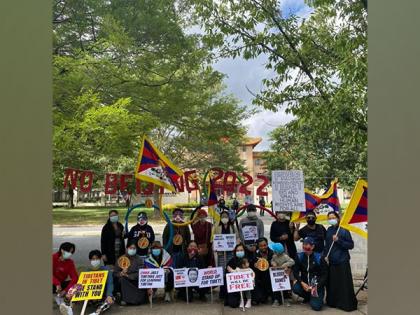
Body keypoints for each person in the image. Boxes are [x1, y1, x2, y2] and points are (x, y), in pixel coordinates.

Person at [323, 211, 358, 312]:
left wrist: (339, 240)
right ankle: (334, 302)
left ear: (338, 218)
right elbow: (327, 246)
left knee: (344, 284)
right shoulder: (329, 230)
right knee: (333, 284)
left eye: (333, 217)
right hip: (332, 262)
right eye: (329, 218)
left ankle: (346, 304)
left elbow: (350, 245)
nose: (331, 219)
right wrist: (325, 256)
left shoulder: (344, 230)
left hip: (342, 261)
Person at [292, 237, 328, 311]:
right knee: (295, 288)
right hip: (305, 284)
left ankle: (315, 296)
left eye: (306, 244)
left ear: (312, 246)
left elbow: (325, 275)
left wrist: (316, 286)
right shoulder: (299, 256)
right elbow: (295, 271)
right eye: (303, 244)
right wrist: (302, 283)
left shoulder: (320, 257)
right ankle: (308, 297)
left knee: (316, 307)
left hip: (316, 286)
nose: (304, 246)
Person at [213, 210, 239, 299]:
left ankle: (231, 291)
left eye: (226, 216)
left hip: (230, 252)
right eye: (223, 216)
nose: (224, 218)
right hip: (221, 252)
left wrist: (236, 244)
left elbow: (237, 237)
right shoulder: (216, 226)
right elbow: (213, 238)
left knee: (230, 270)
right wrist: (215, 245)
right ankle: (223, 292)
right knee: (222, 271)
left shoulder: (232, 226)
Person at [114, 240, 148, 305]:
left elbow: (141, 272)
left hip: (135, 279)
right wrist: (121, 273)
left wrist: (129, 276)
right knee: (122, 280)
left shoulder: (139, 259)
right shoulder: (121, 259)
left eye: (134, 248)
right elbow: (115, 272)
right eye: (130, 248)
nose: (132, 250)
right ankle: (125, 299)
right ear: (126, 249)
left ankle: (135, 300)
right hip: (124, 279)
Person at [85, 250, 115, 315]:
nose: (95, 260)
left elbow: (110, 283)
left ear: (100, 259)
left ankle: (97, 312)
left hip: (103, 295)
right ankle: (69, 306)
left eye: (97, 259)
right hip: (90, 296)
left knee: (111, 299)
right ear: (90, 260)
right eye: (93, 259)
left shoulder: (106, 269)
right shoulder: (86, 271)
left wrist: (109, 295)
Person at [52, 242, 78, 313]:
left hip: (61, 284)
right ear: (62, 250)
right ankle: (58, 297)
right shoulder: (53, 258)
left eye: (71, 252)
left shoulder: (70, 262)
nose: (70, 253)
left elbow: (75, 277)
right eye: (68, 251)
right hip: (53, 283)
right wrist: (57, 283)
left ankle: (66, 300)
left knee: (78, 285)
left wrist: (66, 290)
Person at [269, 242, 295, 306]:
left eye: (274, 250)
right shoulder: (274, 256)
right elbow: (272, 260)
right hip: (276, 275)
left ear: (276, 251)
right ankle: (277, 300)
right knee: (276, 287)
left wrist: (285, 265)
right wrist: (273, 263)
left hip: (284, 275)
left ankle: (286, 300)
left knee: (285, 287)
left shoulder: (285, 256)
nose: (273, 251)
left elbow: (292, 261)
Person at [251, 237, 274, 305]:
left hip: (270, 279)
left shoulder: (272, 253)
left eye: (265, 245)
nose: (263, 247)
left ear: (267, 244)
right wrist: (254, 265)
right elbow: (251, 265)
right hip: (260, 280)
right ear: (258, 246)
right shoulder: (255, 255)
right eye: (261, 246)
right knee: (261, 299)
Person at [225, 243, 247, 308]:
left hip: (247, 288)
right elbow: (227, 276)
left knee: (257, 299)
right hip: (236, 287)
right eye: (237, 251)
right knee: (233, 304)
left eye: (241, 250)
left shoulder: (248, 259)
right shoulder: (231, 261)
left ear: (245, 251)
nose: (239, 252)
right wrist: (231, 271)